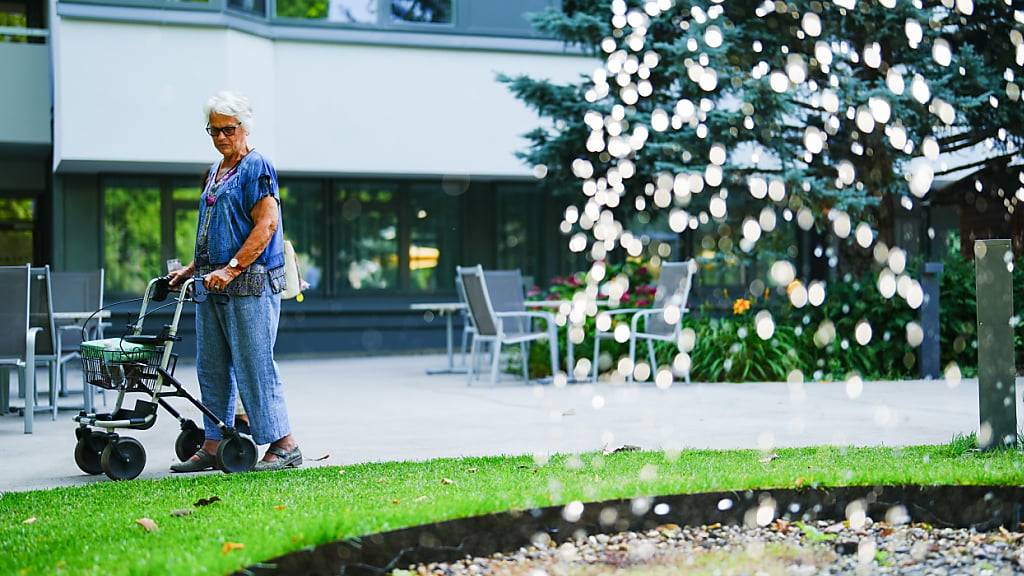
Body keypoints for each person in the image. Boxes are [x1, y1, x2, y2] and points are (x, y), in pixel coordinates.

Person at [168, 91, 301, 472]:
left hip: (249, 285)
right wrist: (193, 269)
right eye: (214, 130)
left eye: (228, 129)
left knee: (254, 365)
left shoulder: (257, 166)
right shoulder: (215, 170)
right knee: (211, 366)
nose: (221, 137)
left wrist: (231, 269)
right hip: (212, 285)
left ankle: (284, 443)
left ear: (244, 128)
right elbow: (216, 229)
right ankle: (214, 443)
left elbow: (266, 224)